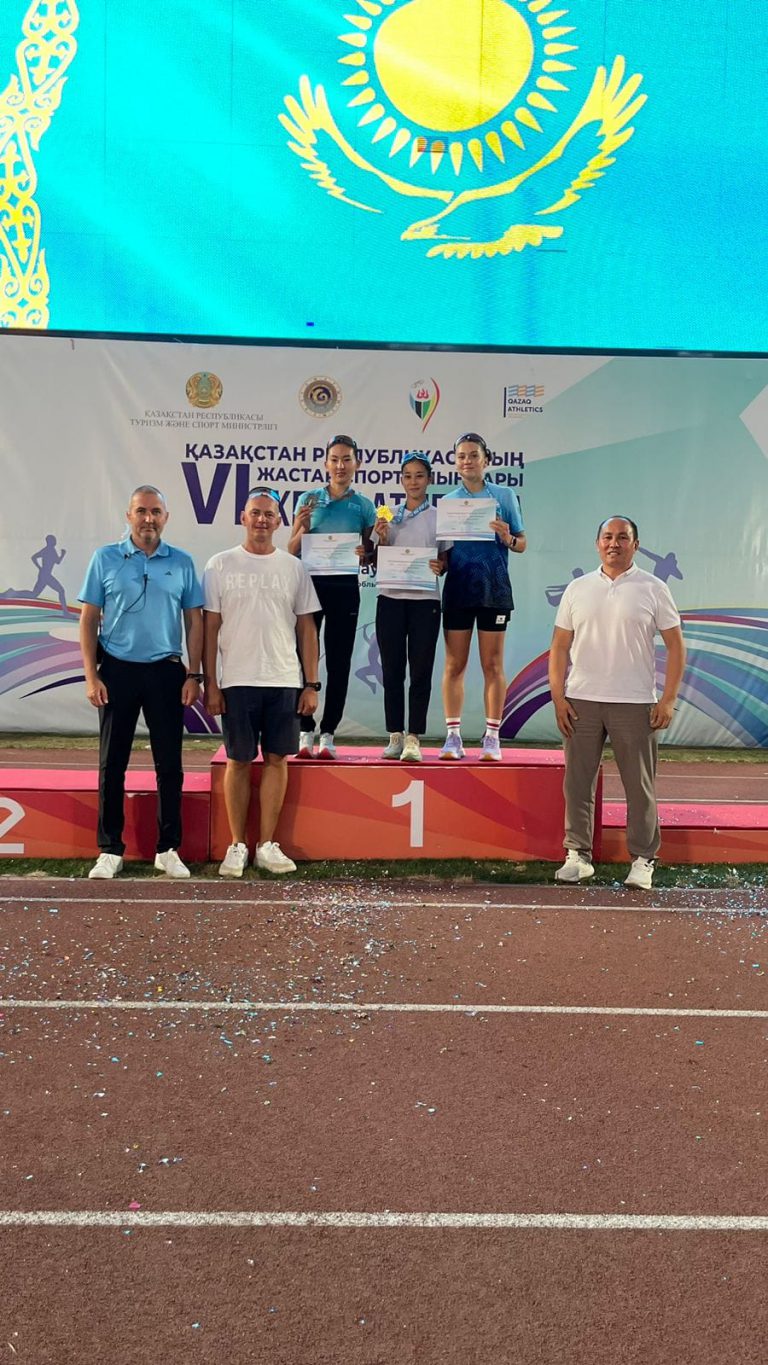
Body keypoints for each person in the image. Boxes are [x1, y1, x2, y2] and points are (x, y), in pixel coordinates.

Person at [548, 516, 686, 891]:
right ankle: (577, 856)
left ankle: (642, 860)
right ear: (597, 544)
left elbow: (676, 646)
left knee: (639, 786)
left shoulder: (654, 588)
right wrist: (558, 697)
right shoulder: (578, 588)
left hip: (635, 702)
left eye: (622, 537)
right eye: (607, 537)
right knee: (577, 784)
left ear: (635, 545)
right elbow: (559, 646)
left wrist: (668, 700)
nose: (614, 543)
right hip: (581, 701)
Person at [78, 486, 204, 879]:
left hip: (166, 672)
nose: (148, 519)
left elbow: (194, 621)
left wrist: (194, 674)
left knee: (170, 764)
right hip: (117, 671)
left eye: (156, 512)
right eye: (141, 511)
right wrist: (91, 675)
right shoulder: (105, 558)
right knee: (111, 764)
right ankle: (110, 849)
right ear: (129, 516)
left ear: (165, 517)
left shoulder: (182, 562)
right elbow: (88, 618)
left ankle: (168, 848)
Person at [203, 487, 321, 877]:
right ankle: (237, 845)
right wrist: (211, 682)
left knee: (276, 759)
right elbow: (210, 628)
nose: (262, 520)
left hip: (283, 679)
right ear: (243, 517)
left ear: (279, 521)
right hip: (237, 680)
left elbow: (307, 628)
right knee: (238, 760)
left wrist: (311, 683)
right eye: (255, 513)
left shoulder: (293, 568)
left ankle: (267, 845)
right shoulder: (219, 565)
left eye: (269, 514)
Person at [438, 431, 526, 761]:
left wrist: (507, 536)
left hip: (494, 590)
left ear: (485, 460)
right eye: (461, 456)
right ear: (455, 462)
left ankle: (492, 738)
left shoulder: (504, 496)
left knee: (492, 664)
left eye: (473, 455)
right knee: (454, 665)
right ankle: (453, 737)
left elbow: (522, 543)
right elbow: (444, 556)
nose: (467, 461)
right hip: (458, 590)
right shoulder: (448, 502)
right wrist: (436, 565)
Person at [288, 434, 375, 759]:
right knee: (302, 660)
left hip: (344, 590)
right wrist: (302, 528)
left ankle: (328, 732)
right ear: (326, 464)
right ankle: (304, 729)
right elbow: (291, 550)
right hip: (308, 589)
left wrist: (365, 552)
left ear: (357, 464)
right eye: (335, 459)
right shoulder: (308, 499)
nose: (340, 465)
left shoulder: (364, 506)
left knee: (339, 662)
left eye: (346, 459)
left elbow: (370, 555)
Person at [370, 451, 443, 763]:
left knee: (421, 672)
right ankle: (395, 735)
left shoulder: (439, 516)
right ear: (401, 480)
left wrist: (441, 566)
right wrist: (382, 539)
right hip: (390, 600)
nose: (413, 482)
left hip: (426, 602)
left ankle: (414, 737)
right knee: (392, 671)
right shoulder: (386, 514)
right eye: (408, 476)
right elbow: (375, 559)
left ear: (429, 480)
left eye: (419, 476)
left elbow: (446, 558)